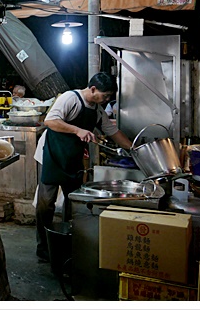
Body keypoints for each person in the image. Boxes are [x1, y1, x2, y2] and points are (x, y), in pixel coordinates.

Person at [34, 72, 132, 262]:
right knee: (46, 203)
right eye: (105, 95)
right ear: (93, 89)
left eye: (109, 97)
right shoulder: (70, 98)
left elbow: (113, 131)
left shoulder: (97, 110)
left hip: (73, 158)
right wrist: (77, 130)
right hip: (53, 155)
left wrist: (133, 148)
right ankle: (43, 247)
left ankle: (69, 244)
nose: (107, 100)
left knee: (73, 202)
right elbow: (50, 121)